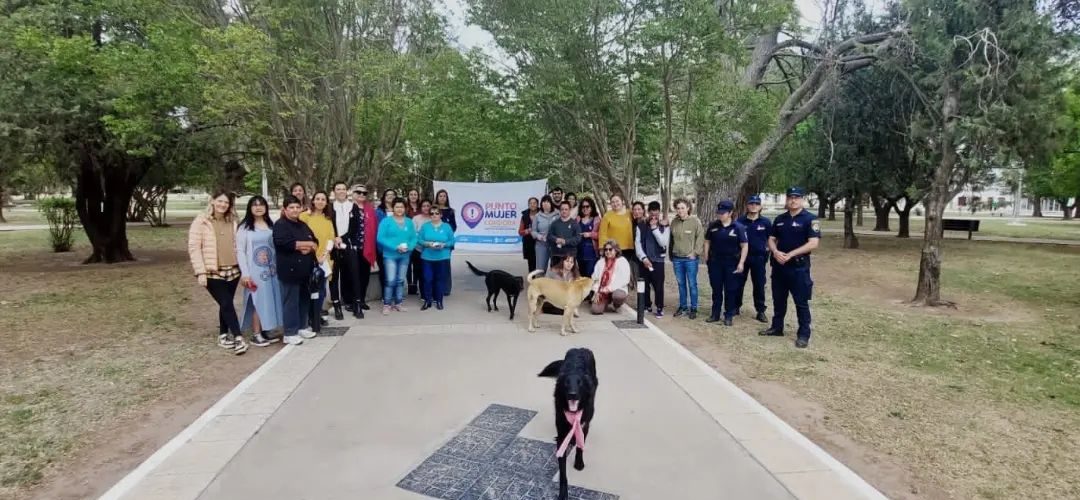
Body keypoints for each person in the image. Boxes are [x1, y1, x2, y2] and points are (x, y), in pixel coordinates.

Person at [760, 187, 821, 349]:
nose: (793, 200)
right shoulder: (780, 219)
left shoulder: (810, 219)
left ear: (802, 199)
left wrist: (790, 254)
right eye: (790, 197)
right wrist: (775, 251)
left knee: (801, 302)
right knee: (779, 300)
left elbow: (813, 243)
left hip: (798, 268)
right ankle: (777, 327)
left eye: (796, 197)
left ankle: (803, 334)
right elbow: (771, 239)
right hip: (779, 267)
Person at [188, 190, 247, 354]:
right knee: (227, 303)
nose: (223, 205)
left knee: (225, 304)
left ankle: (222, 335)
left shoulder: (233, 221)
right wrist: (200, 272)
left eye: (226, 203)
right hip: (212, 272)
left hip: (233, 270)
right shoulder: (201, 221)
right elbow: (194, 248)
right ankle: (238, 337)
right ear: (212, 201)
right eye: (220, 201)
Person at [236, 196, 283, 347]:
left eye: (261, 205)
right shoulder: (244, 228)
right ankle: (256, 333)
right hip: (254, 270)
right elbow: (240, 251)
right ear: (250, 208)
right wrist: (245, 273)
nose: (258, 208)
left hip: (272, 269)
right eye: (255, 205)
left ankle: (266, 329)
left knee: (270, 299)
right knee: (257, 300)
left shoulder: (271, 224)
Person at [272, 195, 320, 345]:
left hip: (305, 271)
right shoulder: (280, 225)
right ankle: (290, 332)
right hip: (289, 271)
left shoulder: (302, 224)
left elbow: (315, 240)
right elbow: (284, 243)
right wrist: (307, 245)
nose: (294, 210)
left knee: (303, 300)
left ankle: (302, 326)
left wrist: (309, 246)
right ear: (284, 209)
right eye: (291, 207)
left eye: (297, 207)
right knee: (290, 301)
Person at [704, 200, 748, 326]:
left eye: (723, 213)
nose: (720, 215)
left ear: (730, 213)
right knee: (716, 289)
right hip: (715, 262)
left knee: (730, 290)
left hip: (732, 262)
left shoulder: (738, 227)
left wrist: (741, 263)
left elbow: (744, 246)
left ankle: (728, 315)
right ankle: (715, 314)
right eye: (719, 212)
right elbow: (707, 241)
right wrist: (706, 255)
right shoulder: (713, 226)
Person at [300, 191, 336, 332]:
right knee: (308, 290)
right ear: (313, 201)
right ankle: (307, 316)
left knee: (320, 290)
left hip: (324, 259)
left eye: (323, 199)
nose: (320, 201)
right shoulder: (305, 216)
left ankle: (316, 314)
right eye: (318, 199)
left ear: (326, 202)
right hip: (308, 258)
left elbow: (331, 239)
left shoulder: (327, 219)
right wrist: (315, 256)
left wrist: (324, 255)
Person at [377, 197, 418, 315]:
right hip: (390, 255)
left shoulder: (409, 222)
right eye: (397, 207)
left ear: (405, 208)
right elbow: (380, 238)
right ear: (393, 208)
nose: (399, 209)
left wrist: (409, 247)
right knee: (390, 280)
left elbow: (414, 238)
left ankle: (398, 303)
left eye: (402, 207)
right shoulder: (386, 221)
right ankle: (387, 304)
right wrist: (396, 247)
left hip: (405, 255)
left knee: (400, 280)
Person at [343, 184, 378, 318]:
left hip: (366, 247)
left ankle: (361, 299)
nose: (362, 195)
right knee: (351, 275)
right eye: (359, 192)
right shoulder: (349, 208)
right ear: (353, 193)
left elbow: (374, 228)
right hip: (352, 247)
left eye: (364, 193)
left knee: (364, 274)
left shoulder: (370, 210)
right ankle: (351, 301)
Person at [737, 195, 772, 323]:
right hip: (742, 258)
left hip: (758, 258)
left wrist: (766, 253)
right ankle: (736, 307)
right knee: (738, 283)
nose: (754, 206)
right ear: (747, 205)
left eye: (756, 204)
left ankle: (760, 311)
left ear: (760, 206)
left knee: (759, 285)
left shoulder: (766, 222)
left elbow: (771, 240)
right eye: (751, 204)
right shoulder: (740, 222)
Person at [669, 199, 705, 320]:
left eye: (682, 208)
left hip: (690, 259)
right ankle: (683, 306)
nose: (680, 210)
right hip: (677, 259)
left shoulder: (695, 222)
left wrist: (695, 253)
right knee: (681, 284)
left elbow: (700, 238)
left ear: (688, 208)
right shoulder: (674, 222)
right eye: (678, 208)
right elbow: (671, 239)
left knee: (692, 284)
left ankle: (693, 308)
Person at [418, 205, 456, 310]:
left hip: (442, 257)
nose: (434, 215)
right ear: (429, 215)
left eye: (436, 213)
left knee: (439, 280)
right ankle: (427, 300)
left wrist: (444, 245)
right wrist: (426, 244)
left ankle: (439, 300)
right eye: (432, 213)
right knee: (427, 279)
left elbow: (452, 241)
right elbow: (419, 240)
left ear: (441, 215)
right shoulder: (425, 226)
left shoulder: (447, 227)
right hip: (427, 258)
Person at [635, 201, 670, 318]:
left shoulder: (664, 226)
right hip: (644, 260)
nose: (654, 216)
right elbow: (638, 243)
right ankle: (646, 305)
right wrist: (643, 258)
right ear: (648, 212)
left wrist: (655, 228)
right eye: (651, 213)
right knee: (644, 284)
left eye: (656, 214)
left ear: (659, 212)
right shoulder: (641, 226)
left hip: (658, 261)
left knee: (658, 285)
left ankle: (659, 307)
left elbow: (663, 242)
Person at [329, 182, 355, 319]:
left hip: (347, 244)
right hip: (332, 245)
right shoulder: (329, 207)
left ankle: (348, 301)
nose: (341, 191)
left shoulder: (353, 206)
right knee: (334, 276)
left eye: (343, 189)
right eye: (338, 189)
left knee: (347, 274)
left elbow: (354, 227)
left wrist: (343, 238)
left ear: (347, 191)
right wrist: (334, 239)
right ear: (334, 191)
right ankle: (336, 303)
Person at [597, 194, 635, 278]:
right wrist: (601, 249)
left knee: (625, 270)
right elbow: (602, 233)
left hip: (628, 248)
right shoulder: (607, 216)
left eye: (617, 201)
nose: (615, 203)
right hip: (614, 249)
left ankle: (625, 289)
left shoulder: (629, 213)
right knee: (614, 272)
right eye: (612, 202)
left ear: (622, 201)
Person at [590, 241, 632, 315]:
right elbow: (594, 278)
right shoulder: (600, 262)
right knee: (595, 310)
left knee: (618, 296)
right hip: (602, 291)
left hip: (616, 289)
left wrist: (609, 288)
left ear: (616, 250)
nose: (607, 251)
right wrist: (596, 291)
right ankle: (606, 302)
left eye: (610, 249)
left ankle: (617, 305)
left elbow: (624, 280)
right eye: (606, 250)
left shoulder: (622, 261)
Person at [409, 199, 434, 301]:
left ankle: (431, 293)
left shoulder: (434, 218)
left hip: (432, 251)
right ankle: (423, 294)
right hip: (418, 250)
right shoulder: (416, 219)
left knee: (430, 273)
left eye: (428, 206)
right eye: (424, 206)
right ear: (420, 207)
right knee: (420, 273)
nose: (426, 208)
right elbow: (413, 234)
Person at [434, 189, 457, 296]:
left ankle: (446, 289)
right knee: (434, 265)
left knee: (445, 266)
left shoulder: (451, 211)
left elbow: (454, 226)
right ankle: (435, 287)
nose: (442, 198)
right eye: (440, 196)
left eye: (444, 196)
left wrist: (445, 232)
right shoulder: (433, 210)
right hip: (433, 243)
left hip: (446, 243)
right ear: (437, 197)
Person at [547, 201, 582, 266]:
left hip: (570, 256)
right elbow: (549, 236)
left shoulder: (575, 224)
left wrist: (566, 241)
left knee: (569, 276)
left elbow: (578, 238)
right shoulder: (554, 223)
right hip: (556, 255)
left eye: (566, 209)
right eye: (562, 209)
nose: (564, 211)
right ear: (560, 210)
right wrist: (556, 239)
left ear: (570, 210)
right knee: (555, 276)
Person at [531, 195, 558, 273]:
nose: (545, 203)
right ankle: (539, 284)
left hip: (554, 245)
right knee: (540, 270)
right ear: (541, 204)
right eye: (544, 201)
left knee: (556, 269)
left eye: (547, 201)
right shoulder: (537, 216)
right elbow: (533, 231)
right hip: (541, 245)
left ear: (551, 203)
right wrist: (539, 236)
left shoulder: (557, 214)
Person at [577, 198, 601, 277]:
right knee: (581, 278)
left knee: (590, 277)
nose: (585, 208)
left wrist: (590, 234)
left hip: (592, 254)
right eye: (583, 207)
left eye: (587, 206)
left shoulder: (597, 220)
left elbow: (601, 235)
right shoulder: (577, 219)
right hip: (579, 254)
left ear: (592, 207)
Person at [519, 197, 540, 272]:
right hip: (529, 244)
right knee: (531, 266)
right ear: (528, 205)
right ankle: (533, 282)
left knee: (541, 266)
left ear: (537, 204)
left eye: (534, 203)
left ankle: (540, 282)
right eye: (530, 203)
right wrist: (528, 231)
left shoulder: (542, 214)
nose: (532, 205)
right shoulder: (524, 216)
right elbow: (520, 232)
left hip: (541, 243)